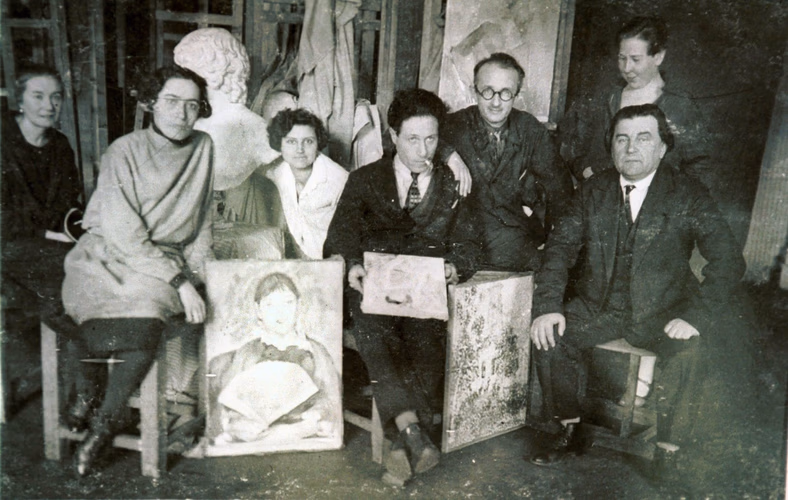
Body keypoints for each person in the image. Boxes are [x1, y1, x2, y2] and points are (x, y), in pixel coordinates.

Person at [528, 104, 744, 489]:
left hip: (664, 310)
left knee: (691, 349)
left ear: (662, 148)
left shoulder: (687, 194)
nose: (630, 148)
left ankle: (668, 452)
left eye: (643, 138)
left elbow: (729, 260)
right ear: (611, 146)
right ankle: (569, 429)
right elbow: (559, 250)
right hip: (599, 306)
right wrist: (547, 307)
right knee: (550, 335)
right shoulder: (592, 191)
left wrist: (695, 315)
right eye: (621, 139)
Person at [60, 65, 215, 477]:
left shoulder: (203, 146)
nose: (182, 113)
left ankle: (100, 429)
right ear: (150, 103)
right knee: (106, 314)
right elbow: (123, 233)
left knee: (146, 317)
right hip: (107, 254)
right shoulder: (123, 150)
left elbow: (202, 220)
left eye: (192, 105)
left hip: (161, 262)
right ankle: (91, 400)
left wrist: (197, 276)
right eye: (171, 102)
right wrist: (179, 282)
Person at [324, 88, 483, 484]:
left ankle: (402, 440)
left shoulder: (453, 183)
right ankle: (413, 433)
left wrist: (455, 268)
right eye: (412, 139)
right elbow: (339, 235)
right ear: (393, 136)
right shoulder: (365, 180)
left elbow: (470, 244)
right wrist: (353, 266)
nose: (422, 150)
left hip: (425, 291)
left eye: (431, 139)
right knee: (376, 334)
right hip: (373, 289)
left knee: (426, 340)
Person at [442, 52, 573, 272]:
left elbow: (560, 192)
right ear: (474, 91)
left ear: (516, 95)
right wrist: (449, 155)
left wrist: (556, 245)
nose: (496, 102)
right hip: (462, 245)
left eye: (505, 93)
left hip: (516, 245)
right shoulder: (453, 125)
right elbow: (418, 140)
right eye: (487, 91)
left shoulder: (530, 129)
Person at [558, 16, 709, 182]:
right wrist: (584, 171)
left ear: (658, 57)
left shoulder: (680, 105)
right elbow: (568, 144)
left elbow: (700, 166)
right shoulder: (604, 98)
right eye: (622, 58)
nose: (627, 68)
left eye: (636, 59)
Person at [206, 273, 341, 446]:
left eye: (288, 303)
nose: (280, 312)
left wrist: (317, 413)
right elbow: (229, 401)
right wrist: (237, 421)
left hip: (302, 426)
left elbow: (331, 397)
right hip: (255, 431)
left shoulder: (315, 351)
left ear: (299, 305)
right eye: (270, 304)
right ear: (258, 310)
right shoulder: (247, 352)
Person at [174, 28, 282, 225]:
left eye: (185, 73)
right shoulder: (191, 122)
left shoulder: (253, 126)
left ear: (214, 71)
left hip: (242, 220)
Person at [1, 64, 82, 322]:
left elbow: (68, 202)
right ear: (19, 100)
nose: (49, 105)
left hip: (47, 242)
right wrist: (50, 235)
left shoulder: (60, 145)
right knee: (74, 269)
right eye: (38, 96)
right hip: (7, 242)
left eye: (55, 96)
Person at [265, 108, 348, 259]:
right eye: (291, 141)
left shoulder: (339, 180)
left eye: (308, 141)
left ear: (318, 143)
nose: (300, 150)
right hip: (302, 258)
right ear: (280, 144)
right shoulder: (279, 171)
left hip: (336, 261)